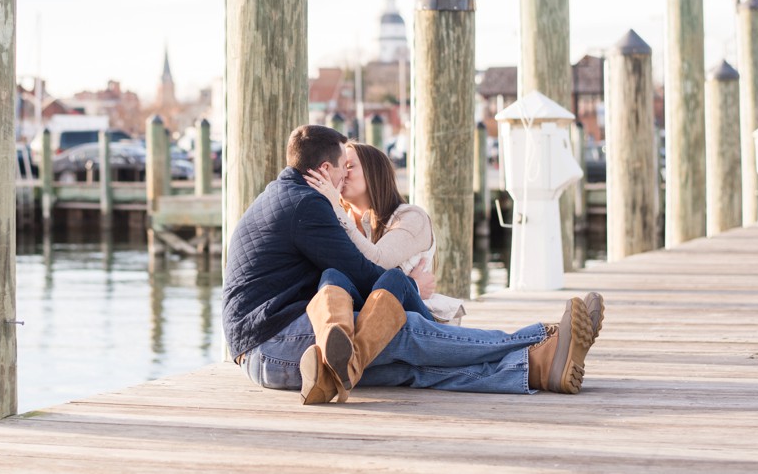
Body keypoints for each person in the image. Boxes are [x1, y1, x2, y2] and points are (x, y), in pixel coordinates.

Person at [222, 124, 604, 406]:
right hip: (270, 346)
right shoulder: (306, 205)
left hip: (269, 347)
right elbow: (363, 275)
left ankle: (533, 368)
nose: (343, 177)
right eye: (342, 166)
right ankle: (540, 338)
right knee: (403, 329)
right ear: (324, 168)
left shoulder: (289, 196)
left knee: (411, 368)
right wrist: (403, 286)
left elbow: (356, 272)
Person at [303, 141, 465, 324]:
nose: (342, 173)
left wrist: (410, 288)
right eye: (339, 167)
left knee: (394, 279)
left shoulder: (412, 217)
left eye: (349, 166)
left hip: (411, 317)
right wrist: (415, 285)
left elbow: (376, 262)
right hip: (363, 316)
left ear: (374, 173)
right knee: (332, 276)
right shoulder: (339, 221)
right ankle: (339, 346)